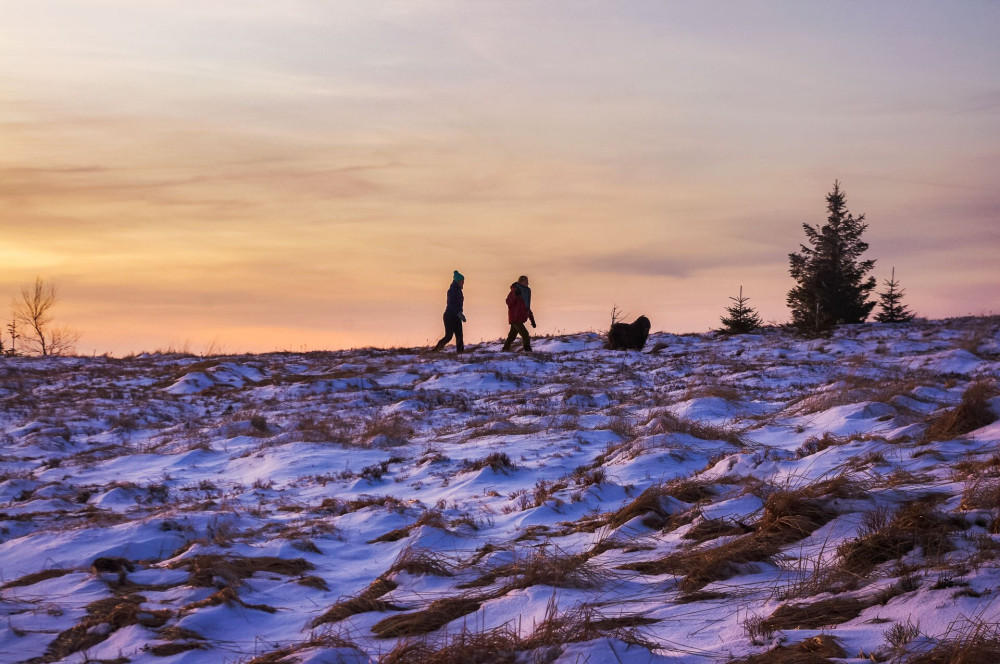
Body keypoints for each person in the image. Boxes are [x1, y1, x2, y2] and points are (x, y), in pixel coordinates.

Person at [432, 270, 466, 353]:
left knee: (459, 336)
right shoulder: (453, 290)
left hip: (456, 316)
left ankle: (460, 353)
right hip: (450, 316)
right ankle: (435, 351)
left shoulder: (457, 290)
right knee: (449, 336)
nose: (463, 283)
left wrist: (459, 314)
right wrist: (459, 314)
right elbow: (452, 305)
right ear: (458, 281)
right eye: (462, 281)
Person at [502, 275, 535, 352]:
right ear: (521, 281)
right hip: (515, 317)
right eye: (526, 281)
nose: (528, 283)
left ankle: (505, 349)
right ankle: (528, 350)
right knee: (525, 334)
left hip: (521, 317)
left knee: (512, 336)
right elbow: (508, 302)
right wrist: (515, 295)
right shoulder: (515, 290)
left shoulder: (527, 292)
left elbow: (527, 306)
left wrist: (532, 319)